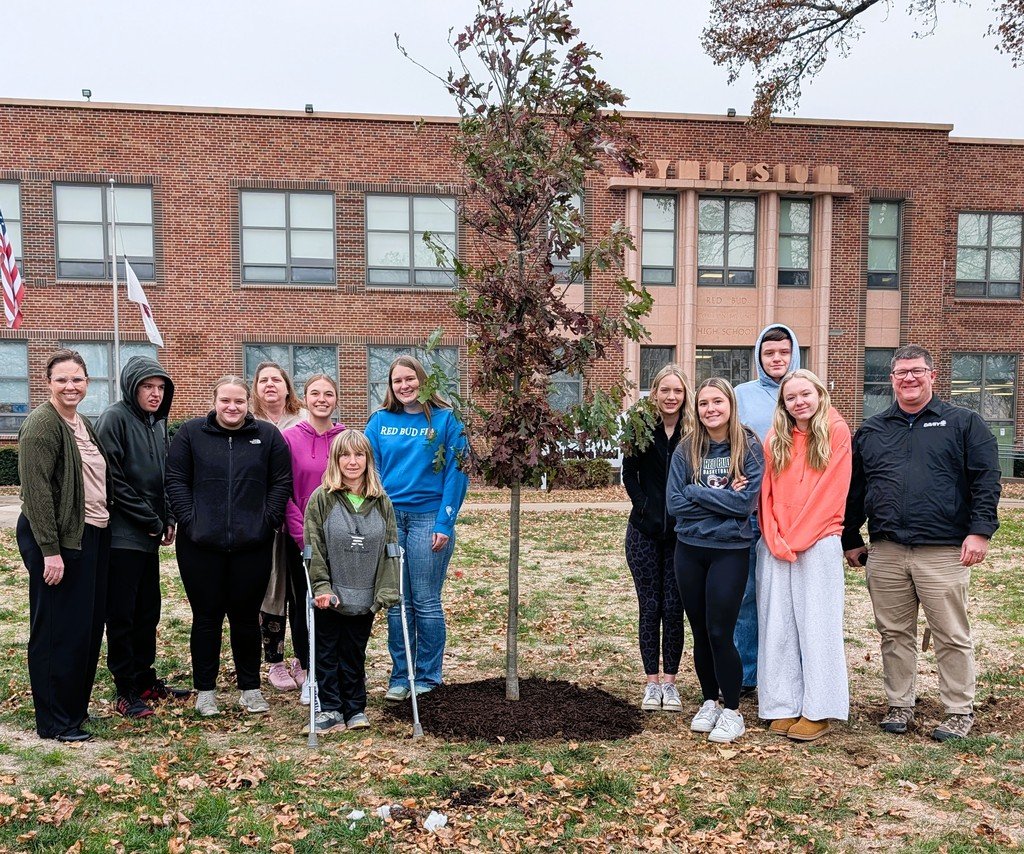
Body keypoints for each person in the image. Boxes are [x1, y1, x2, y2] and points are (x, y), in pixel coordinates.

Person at [843, 345, 1000, 742]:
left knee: (950, 633)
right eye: (901, 373)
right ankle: (900, 704)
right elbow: (856, 489)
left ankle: (958, 709)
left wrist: (980, 531)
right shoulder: (873, 431)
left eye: (916, 371)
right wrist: (850, 537)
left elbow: (986, 480)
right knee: (894, 633)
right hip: (888, 550)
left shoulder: (963, 423)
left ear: (933, 375)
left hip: (944, 550)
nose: (908, 379)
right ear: (891, 379)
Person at [166, 375, 293, 717]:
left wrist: (266, 520)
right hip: (199, 546)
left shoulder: (267, 437)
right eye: (225, 401)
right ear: (214, 401)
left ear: (247, 403)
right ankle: (205, 691)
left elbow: (281, 481)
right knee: (205, 618)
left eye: (238, 401)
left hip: (252, 545)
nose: (232, 407)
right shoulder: (191, 434)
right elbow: (175, 479)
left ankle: (250, 689)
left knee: (245, 618)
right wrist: (190, 521)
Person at [16, 349, 111, 742]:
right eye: (62, 380)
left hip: (91, 533)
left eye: (77, 379)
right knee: (58, 630)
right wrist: (50, 551)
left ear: (87, 382)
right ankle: (55, 721)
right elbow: (36, 492)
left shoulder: (81, 422)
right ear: (49, 383)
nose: (70, 386)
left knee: (85, 629)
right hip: (57, 540)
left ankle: (75, 710)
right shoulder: (42, 424)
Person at [365, 355, 468, 701]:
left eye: (410, 379)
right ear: (390, 387)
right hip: (391, 519)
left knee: (425, 600)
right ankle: (400, 675)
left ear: (423, 381)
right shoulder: (379, 422)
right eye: (397, 381)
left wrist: (445, 521)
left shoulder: (446, 420)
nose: (404, 386)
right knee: (397, 603)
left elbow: (457, 473)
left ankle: (427, 676)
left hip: (429, 520)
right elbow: (370, 472)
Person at [667, 377, 763, 744]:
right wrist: (713, 496)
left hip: (730, 551)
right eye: (704, 403)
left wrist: (696, 492)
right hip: (689, 549)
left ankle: (733, 710)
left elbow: (745, 505)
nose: (710, 409)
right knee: (701, 631)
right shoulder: (687, 449)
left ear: (730, 405)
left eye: (717, 402)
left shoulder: (749, 446)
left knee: (721, 631)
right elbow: (675, 504)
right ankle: (709, 700)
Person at [757, 369, 852, 741]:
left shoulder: (835, 430)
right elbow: (764, 492)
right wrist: (773, 535)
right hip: (776, 543)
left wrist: (795, 538)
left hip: (818, 540)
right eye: (791, 397)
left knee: (817, 625)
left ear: (819, 394)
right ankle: (782, 703)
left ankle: (819, 708)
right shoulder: (775, 437)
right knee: (776, 625)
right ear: (783, 404)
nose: (799, 402)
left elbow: (831, 491)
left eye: (805, 394)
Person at [95, 355, 189, 720]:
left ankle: (146, 679)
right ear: (132, 387)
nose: (154, 394)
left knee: (148, 611)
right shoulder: (114, 419)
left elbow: (164, 475)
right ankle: (125, 690)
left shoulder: (156, 423)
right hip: (122, 536)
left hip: (148, 536)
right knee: (123, 615)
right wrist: (149, 518)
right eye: (147, 387)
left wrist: (167, 516)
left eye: (160, 387)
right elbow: (111, 479)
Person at [303, 430, 400, 734]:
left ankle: (355, 708)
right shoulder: (322, 499)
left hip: (365, 594)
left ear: (368, 460)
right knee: (327, 652)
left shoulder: (381, 502)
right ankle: (331, 709)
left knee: (354, 653)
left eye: (359, 455)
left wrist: (387, 588)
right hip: (330, 594)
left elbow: (390, 549)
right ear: (335, 459)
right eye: (345, 455)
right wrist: (320, 586)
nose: (352, 461)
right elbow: (313, 546)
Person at [732, 324, 800, 698]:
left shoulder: (804, 392)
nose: (777, 359)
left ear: (794, 355)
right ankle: (747, 674)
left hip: (791, 513)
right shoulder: (742, 395)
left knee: (784, 599)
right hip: (749, 511)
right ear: (759, 357)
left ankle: (786, 673)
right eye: (769, 353)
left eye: (784, 353)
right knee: (746, 594)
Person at [622, 364, 692, 713]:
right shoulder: (640, 428)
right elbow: (629, 474)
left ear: (685, 395)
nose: (671, 397)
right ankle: (652, 683)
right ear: (654, 392)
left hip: (682, 536)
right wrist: (646, 506)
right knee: (650, 607)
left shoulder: (693, 432)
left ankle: (671, 684)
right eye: (665, 390)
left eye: (677, 391)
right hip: (643, 534)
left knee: (674, 608)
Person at [281, 374, 346, 702]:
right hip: (302, 538)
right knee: (304, 603)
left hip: (340, 537)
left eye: (329, 394)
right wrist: (300, 533)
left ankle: (333, 669)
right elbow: (284, 490)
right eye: (315, 393)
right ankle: (310, 673)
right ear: (305, 398)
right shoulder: (290, 438)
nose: (322, 399)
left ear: (336, 399)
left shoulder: (346, 438)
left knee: (336, 604)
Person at [251, 361, 309, 695]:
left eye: (277, 379)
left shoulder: (301, 421)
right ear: (255, 388)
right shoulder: (248, 422)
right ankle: (274, 660)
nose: (270, 385)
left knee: (299, 589)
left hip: (298, 518)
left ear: (288, 387)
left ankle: (303, 658)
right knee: (270, 590)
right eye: (263, 380)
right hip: (262, 521)